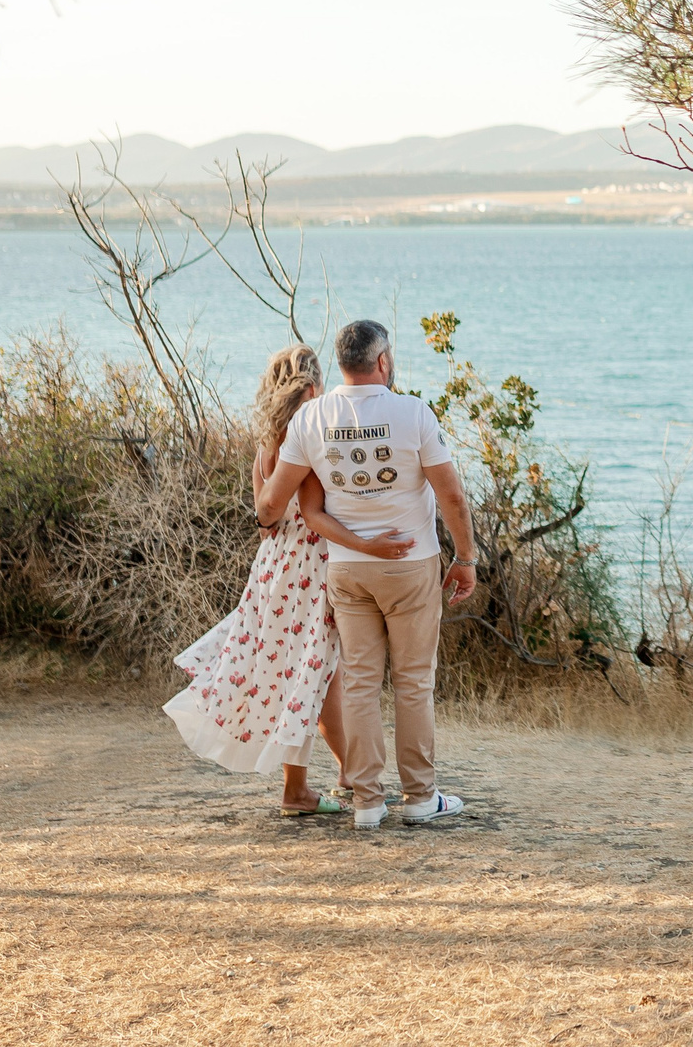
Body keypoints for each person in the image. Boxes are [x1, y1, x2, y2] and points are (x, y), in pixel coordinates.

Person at [163, 343, 407, 813]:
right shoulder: (309, 438)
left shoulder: (267, 443)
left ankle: (319, 782)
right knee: (315, 674)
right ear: (313, 387)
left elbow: (265, 517)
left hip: (276, 566)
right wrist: (370, 543)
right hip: (310, 568)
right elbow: (310, 514)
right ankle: (337, 779)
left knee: (305, 675)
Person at [275, 317, 480, 829]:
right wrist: (466, 558)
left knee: (361, 683)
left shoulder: (310, 418)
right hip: (409, 566)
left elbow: (286, 501)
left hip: (347, 569)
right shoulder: (412, 412)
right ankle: (418, 797)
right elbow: (451, 495)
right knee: (413, 682)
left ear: (342, 363)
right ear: (383, 361)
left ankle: (367, 802)